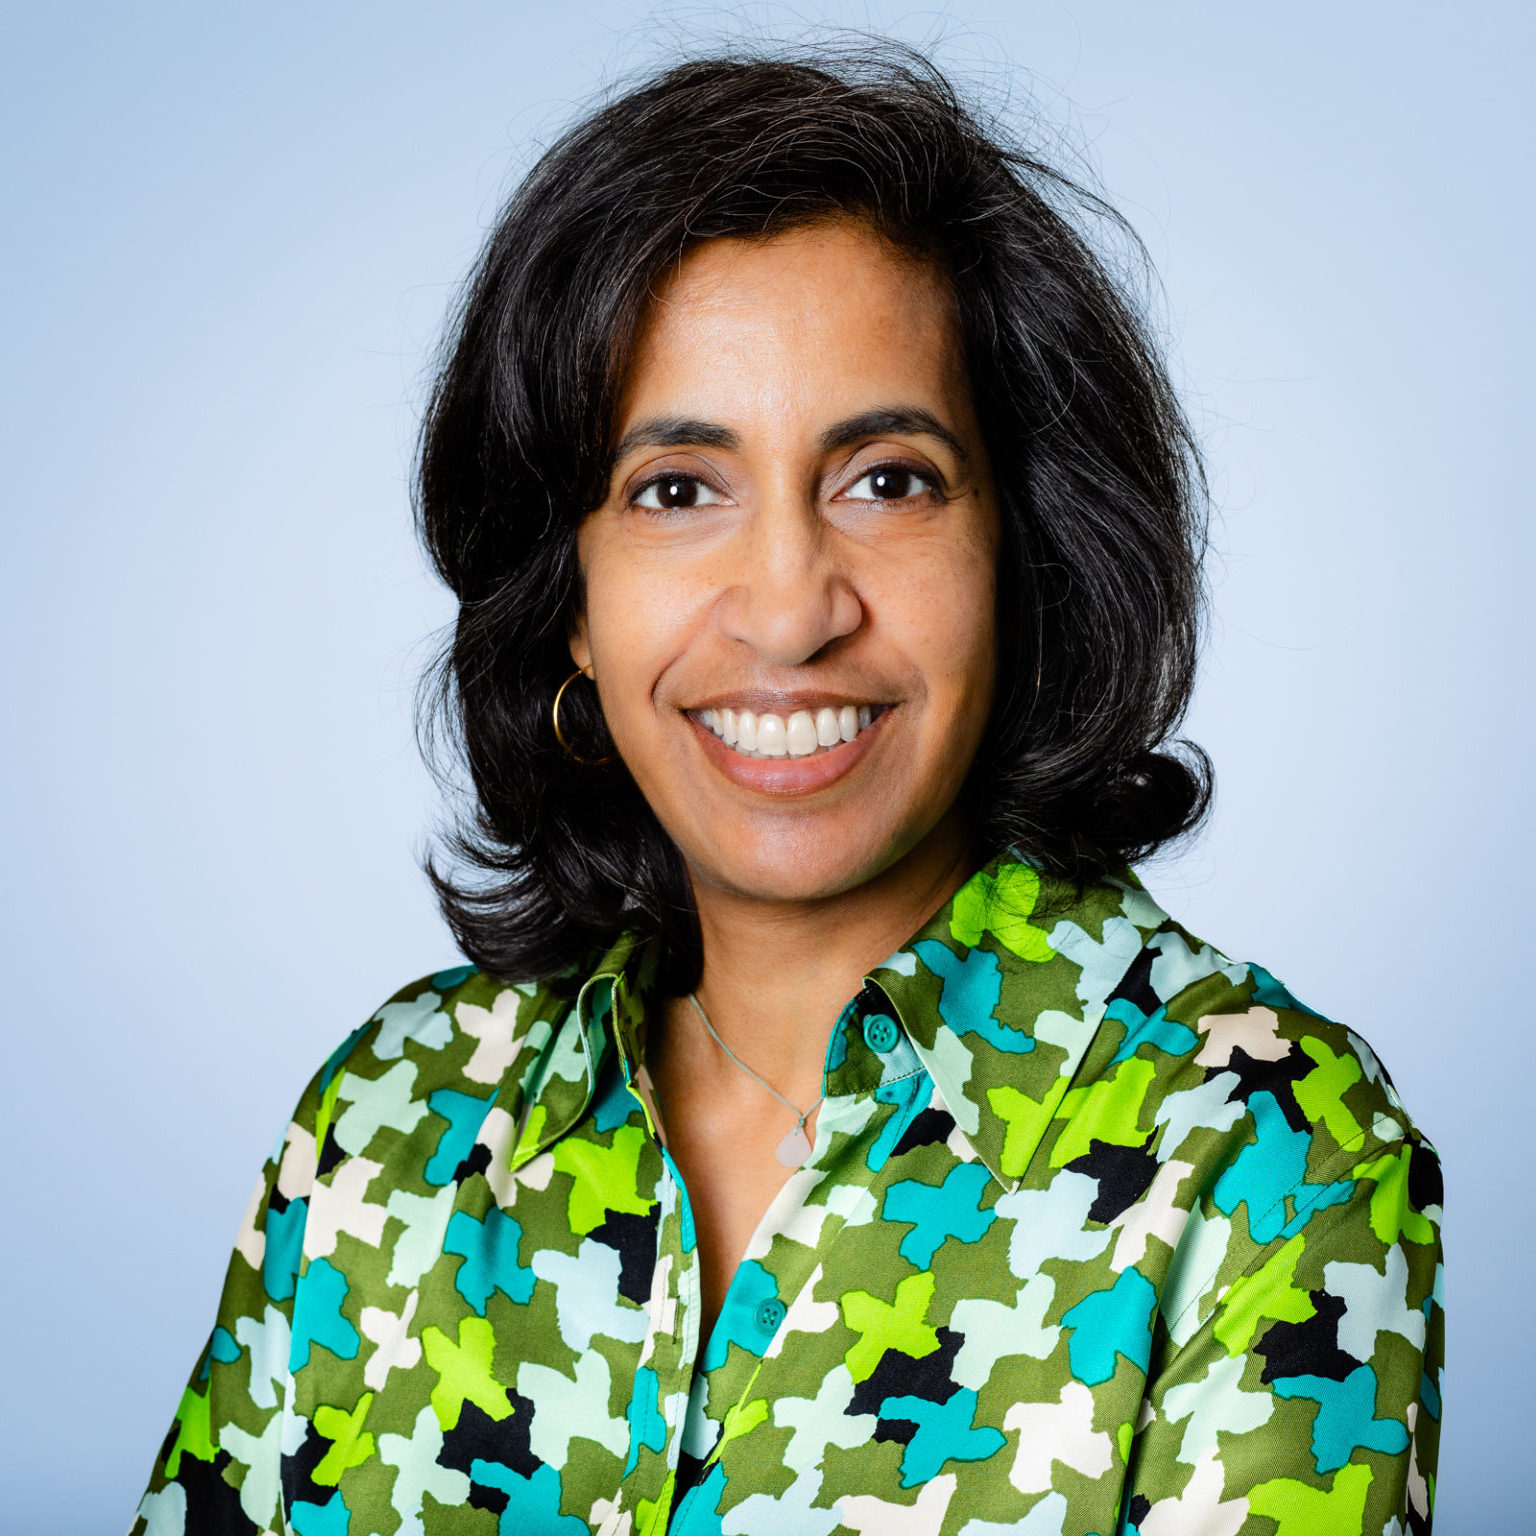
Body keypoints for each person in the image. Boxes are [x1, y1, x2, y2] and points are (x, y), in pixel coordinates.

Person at [132, 41, 1443, 1536]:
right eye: (676, 490)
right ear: (568, 595)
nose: (787, 609)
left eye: (886, 477)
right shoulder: (392, 1123)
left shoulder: (1263, 1151)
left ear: (1024, 549)